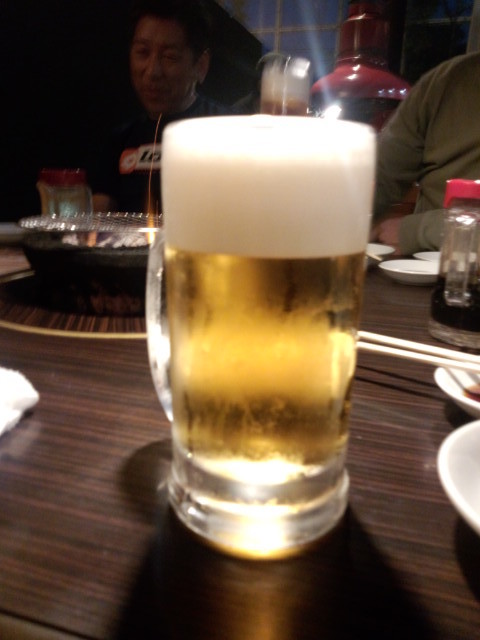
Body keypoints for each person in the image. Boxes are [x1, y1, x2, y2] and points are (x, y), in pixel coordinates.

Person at [90, 0, 236, 215]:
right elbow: (98, 221)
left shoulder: (231, 133)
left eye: (170, 57)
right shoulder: (119, 141)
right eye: (142, 52)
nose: (152, 72)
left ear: (201, 66)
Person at [371, 51, 480, 255]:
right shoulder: (446, 81)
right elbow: (380, 178)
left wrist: (417, 232)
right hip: (425, 266)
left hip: (441, 259)